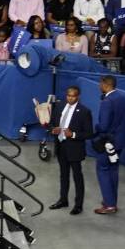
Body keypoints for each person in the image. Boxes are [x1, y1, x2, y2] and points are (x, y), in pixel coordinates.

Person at [46, 85, 93, 214]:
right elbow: (52, 123)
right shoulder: (60, 107)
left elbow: (89, 133)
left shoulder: (84, 111)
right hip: (61, 146)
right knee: (63, 175)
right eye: (68, 95)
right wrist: (52, 129)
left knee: (77, 177)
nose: (70, 98)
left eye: (73, 96)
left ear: (78, 96)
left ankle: (78, 205)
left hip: (75, 149)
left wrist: (72, 134)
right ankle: (63, 200)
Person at [95, 75, 125, 214]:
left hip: (108, 142)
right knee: (113, 170)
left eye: (100, 83)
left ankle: (109, 205)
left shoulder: (107, 101)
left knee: (103, 169)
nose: (99, 86)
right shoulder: (123, 98)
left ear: (105, 85)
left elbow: (103, 126)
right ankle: (111, 200)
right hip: (121, 140)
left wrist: (96, 127)